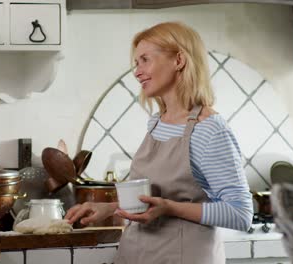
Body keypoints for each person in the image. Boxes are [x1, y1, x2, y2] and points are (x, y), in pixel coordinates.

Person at [65, 22, 253, 264]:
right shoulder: (157, 122)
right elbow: (156, 198)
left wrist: (170, 208)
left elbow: (240, 213)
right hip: (137, 254)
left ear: (179, 61)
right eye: (136, 63)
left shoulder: (209, 129)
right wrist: (110, 208)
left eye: (145, 60)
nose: (137, 71)